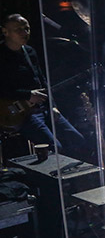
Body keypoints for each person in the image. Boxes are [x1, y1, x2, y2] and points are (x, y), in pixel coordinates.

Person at [0, 13, 86, 158]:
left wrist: (52, 105)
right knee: (54, 149)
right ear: (5, 32)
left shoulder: (29, 52)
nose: (24, 33)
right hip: (22, 114)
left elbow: (41, 79)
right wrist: (28, 95)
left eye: (26, 28)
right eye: (18, 29)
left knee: (77, 140)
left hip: (43, 107)